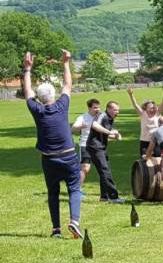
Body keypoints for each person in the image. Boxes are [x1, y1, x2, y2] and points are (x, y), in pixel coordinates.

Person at [22, 49, 83, 239]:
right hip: (69, 155)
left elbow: (27, 92)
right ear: (53, 95)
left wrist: (27, 69)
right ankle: (74, 221)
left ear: (40, 98)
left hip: (49, 159)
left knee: (53, 193)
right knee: (74, 189)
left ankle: (56, 229)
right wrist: (65, 63)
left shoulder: (36, 109)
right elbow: (68, 84)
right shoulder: (62, 105)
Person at [87, 101, 125, 203]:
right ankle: (114, 197)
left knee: (104, 171)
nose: (117, 112)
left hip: (101, 147)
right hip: (95, 147)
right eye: (115, 110)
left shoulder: (110, 118)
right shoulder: (102, 115)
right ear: (108, 109)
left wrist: (115, 136)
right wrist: (110, 132)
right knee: (105, 171)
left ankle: (104, 197)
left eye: (118, 110)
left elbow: (104, 133)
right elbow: (94, 125)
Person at [127, 78, 163, 158]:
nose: (153, 108)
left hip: (156, 141)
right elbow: (135, 105)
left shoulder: (158, 114)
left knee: (158, 158)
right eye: (150, 107)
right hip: (144, 141)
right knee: (145, 159)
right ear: (146, 108)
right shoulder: (143, 114)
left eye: (154, 106)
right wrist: (131, 95)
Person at [71, 97, 101, 197]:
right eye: (95, 108)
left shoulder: (101, 117)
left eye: (98, 107)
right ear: (89, 108)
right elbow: (73, 128)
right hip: (85, 145)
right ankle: (78, 190)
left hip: (98, 146)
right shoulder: (82, 117)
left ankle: (106, 191)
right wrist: (81, 126)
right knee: (85, 168)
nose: (97, 109)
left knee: (103, 168)